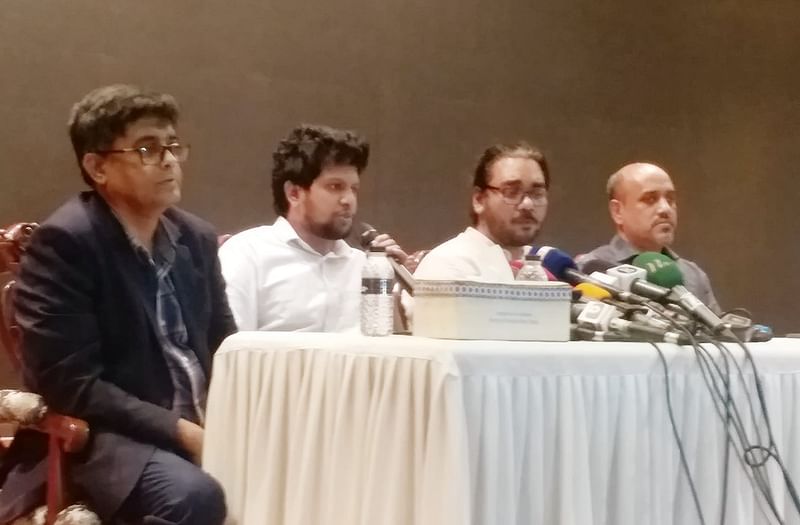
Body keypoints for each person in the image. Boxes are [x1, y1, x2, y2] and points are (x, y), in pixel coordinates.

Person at [0, 84, 236, 524]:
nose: (167, 159)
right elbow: (71, 383)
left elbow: (226, 345)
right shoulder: (67, 243)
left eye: (172, 146)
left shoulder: (196, 239)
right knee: (192, 497)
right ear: (97, 167)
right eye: (147, 148)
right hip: (106, 439)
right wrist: (181, 431)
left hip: (204, 422)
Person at [219, 124, 406, 332]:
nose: (349, 200)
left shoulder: (364, 266)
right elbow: (232, 349)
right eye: (335, 187)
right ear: (294, 193)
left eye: (354, 189)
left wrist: (388, 282)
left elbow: (393, 352)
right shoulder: (247, 254)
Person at [579, 162, 720, 312]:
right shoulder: (590, 269)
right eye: (650, 199)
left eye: (670, 199)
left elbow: (721, 334)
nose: (665, 209)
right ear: (617, 212)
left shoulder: (693, 274)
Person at [414, 141, 550, 281]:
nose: (528, 204)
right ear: (479, 200)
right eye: (511, 192)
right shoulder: (449, 266)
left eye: (537, 193)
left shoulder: (549, 267)